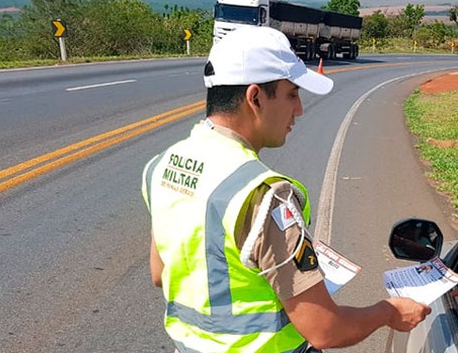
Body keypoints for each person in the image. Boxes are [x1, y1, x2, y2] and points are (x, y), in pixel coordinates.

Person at [141, 27, 431, 353]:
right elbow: (325, 330)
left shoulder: (164, 165)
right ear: (255, 98)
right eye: (292, 94)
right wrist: (388, 312)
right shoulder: (264, 195)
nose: (299, 109)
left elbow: (160, 272)